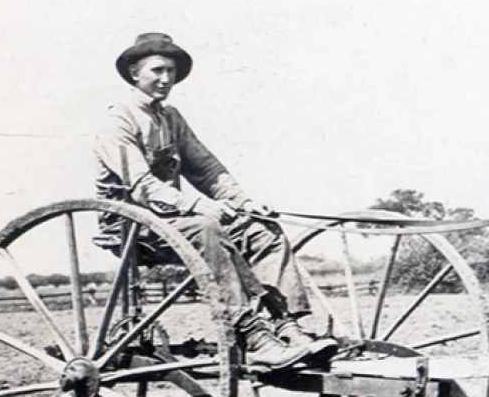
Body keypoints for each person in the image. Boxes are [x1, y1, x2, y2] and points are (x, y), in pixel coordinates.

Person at [93, 33, 335, 370]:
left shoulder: (171, 117)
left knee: (262, 230)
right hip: (133, 227)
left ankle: (287, 325)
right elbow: (142, 186)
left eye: (171, 72)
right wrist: (198, 206)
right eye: (157, 71)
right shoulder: (117, 120)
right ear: (135, 72)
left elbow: (206, 169)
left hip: (174, 222)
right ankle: (253, 335)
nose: (166, 79)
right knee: (207, 225)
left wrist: (245, 202)